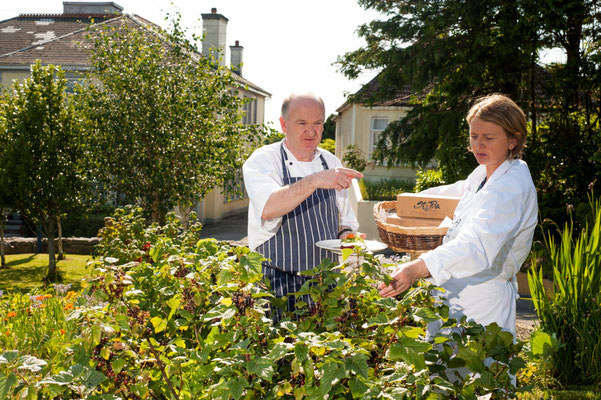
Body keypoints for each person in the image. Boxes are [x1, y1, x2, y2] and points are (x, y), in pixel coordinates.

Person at [379, 94, 538, 338]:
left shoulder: (511, 186)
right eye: (474, 136)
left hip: (482, 304)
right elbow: (453, 193)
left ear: (513, 140)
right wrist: (404, 204)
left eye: (488, 137)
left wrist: (417, 268)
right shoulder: (484, 173)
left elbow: (477, 246)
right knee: (442, 370)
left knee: (478, 370)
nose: (478, 145)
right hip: (452, 293)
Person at [243, 93, 364, 318]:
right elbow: (269, 206)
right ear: (283, 124)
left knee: (325, 350)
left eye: (317, 123)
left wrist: (347, 235)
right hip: (277, 281)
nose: (311, 131)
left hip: (325, 282)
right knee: (279, 349)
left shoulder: (331, 162)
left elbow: (344, 220)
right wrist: (316, 180)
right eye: (302, 123)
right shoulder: (264, 160)